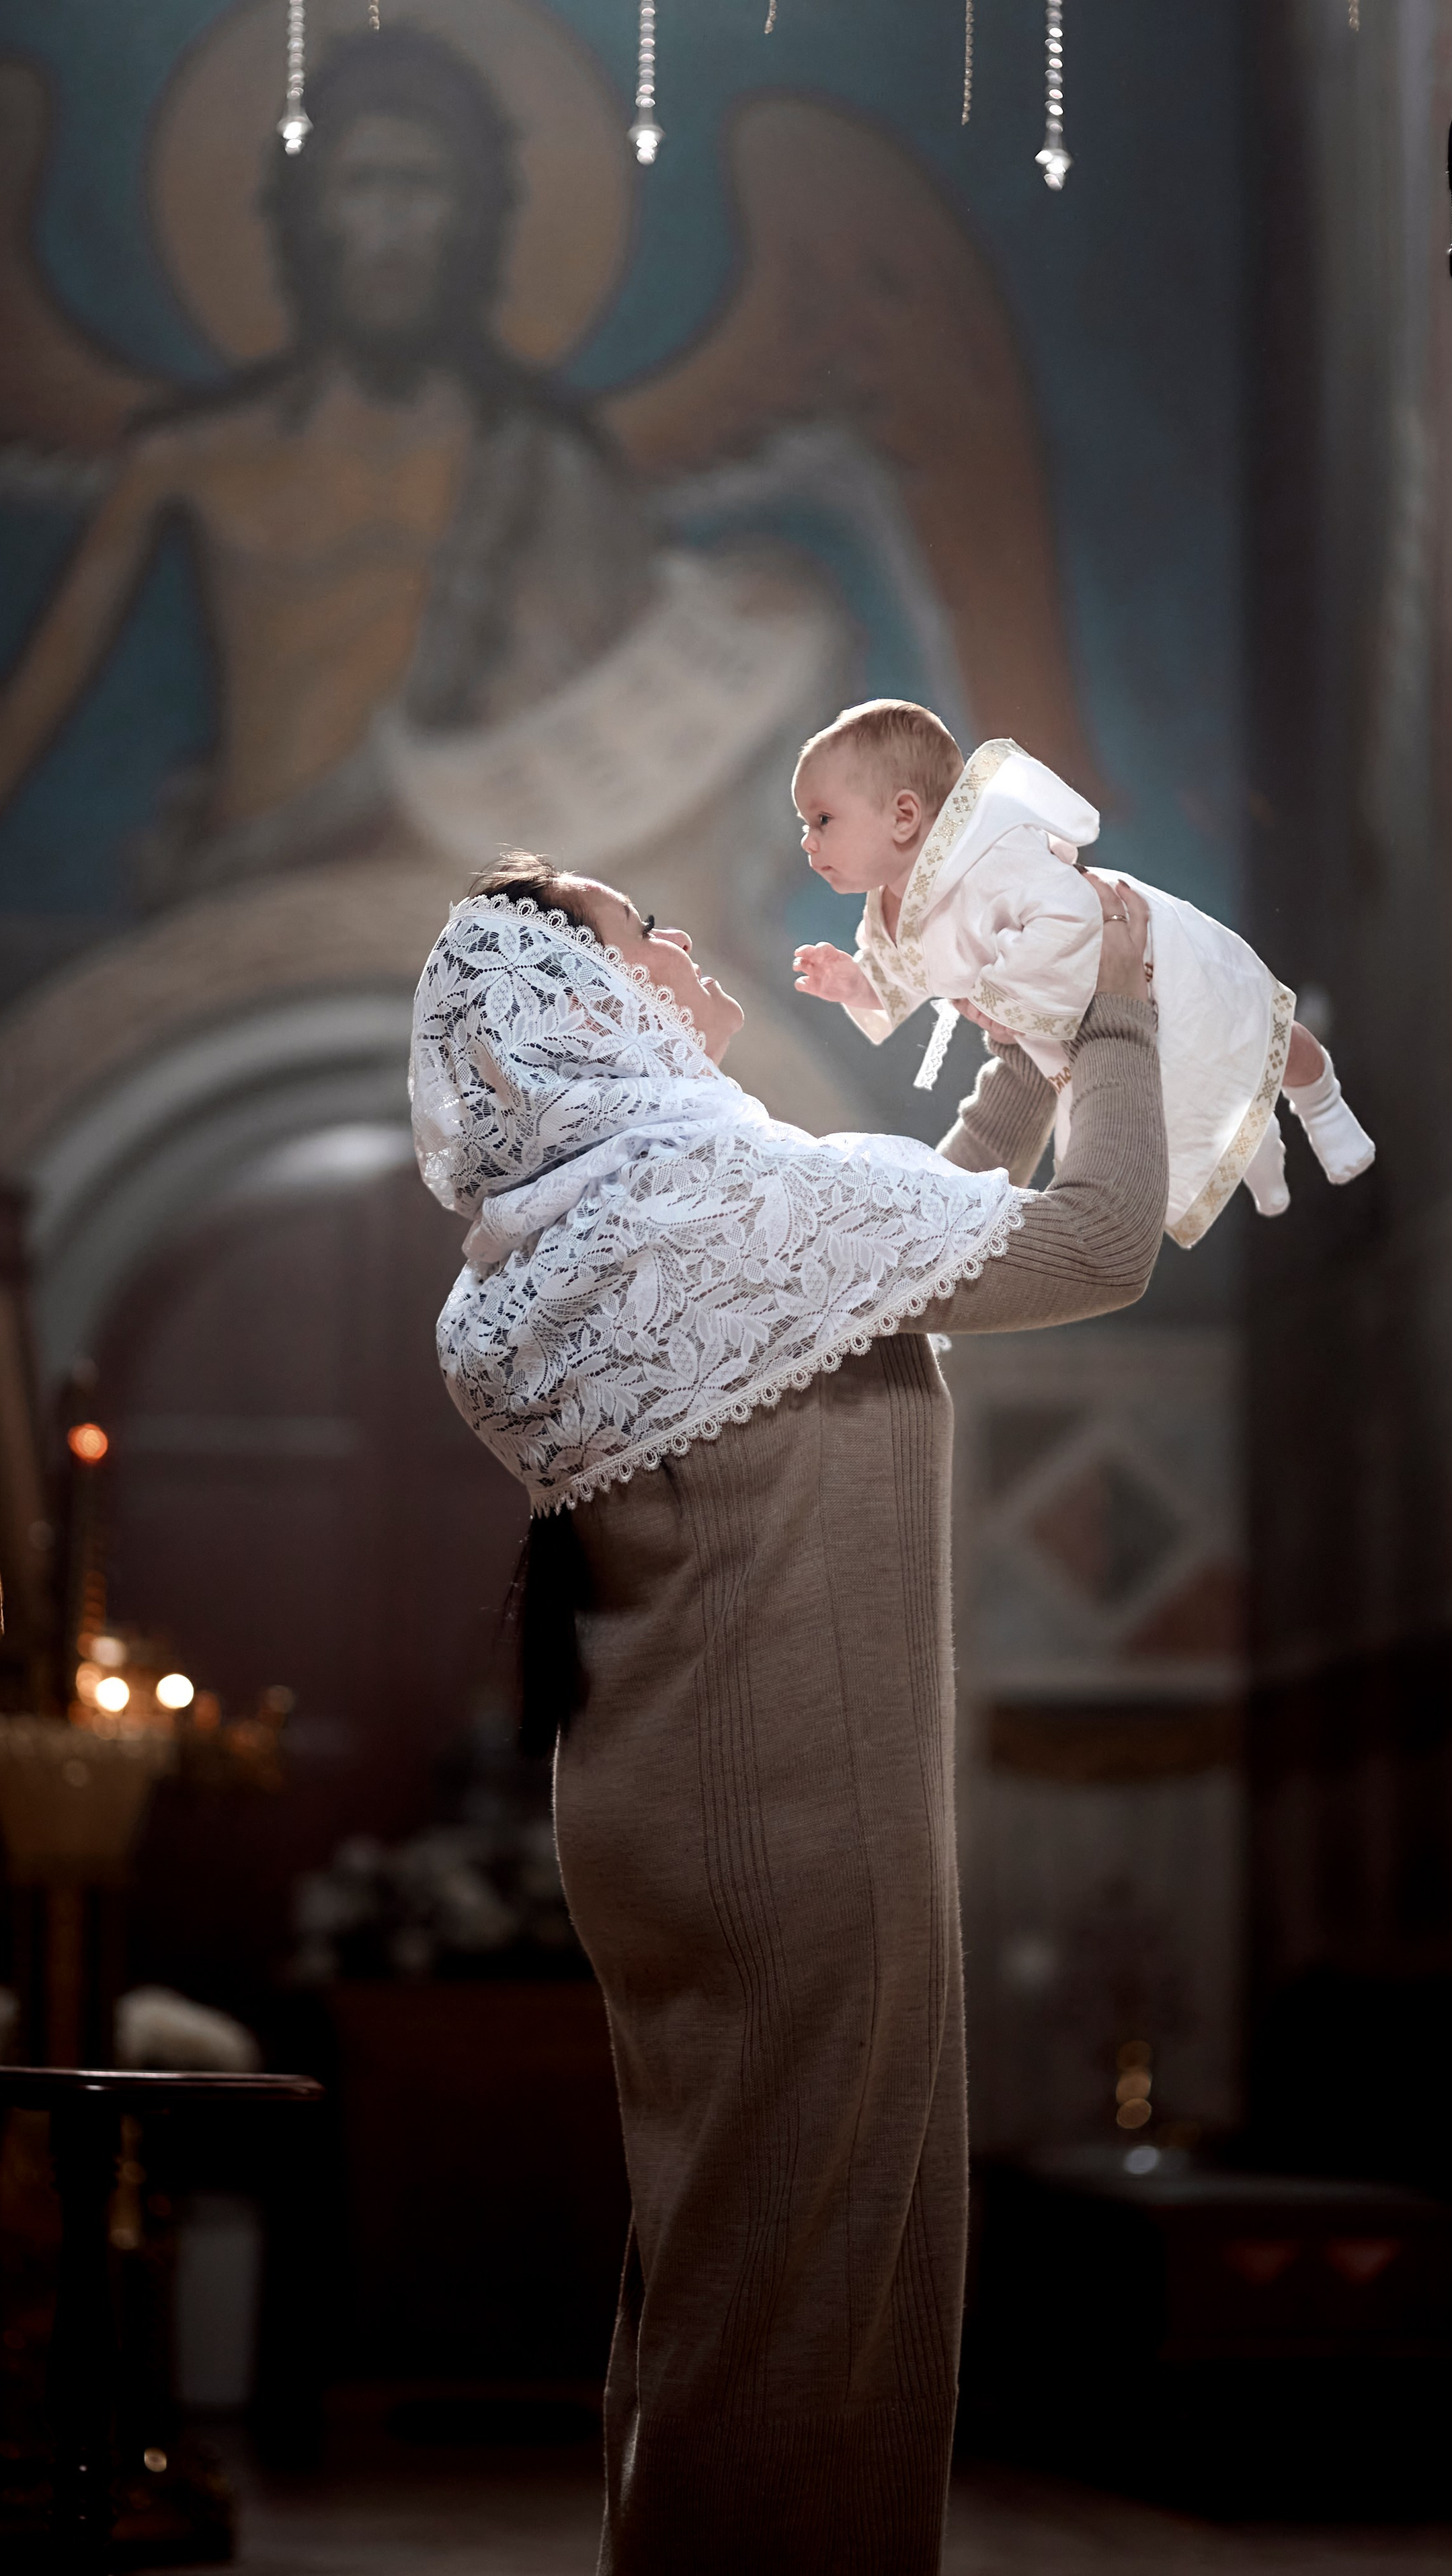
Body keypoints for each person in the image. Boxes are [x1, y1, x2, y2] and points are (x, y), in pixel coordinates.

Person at [409, 845, 1166, 2574]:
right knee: (811, 2308)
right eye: (636, 937)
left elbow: (877, 1273)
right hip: (794, 1821)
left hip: (667, 1814)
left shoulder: (575, 1230)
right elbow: (1100, 1244)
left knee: (730, 2268)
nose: (680, 948)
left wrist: (1020, 1073)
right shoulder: (717, 1201)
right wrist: (1117, 1015)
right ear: (586, 1011)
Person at [0, 28, 651, 896]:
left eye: (422, 187)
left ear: (475, 217)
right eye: (362, 185)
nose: (391, 226)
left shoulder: (547, 467)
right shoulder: (194, 457)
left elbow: (625, 762)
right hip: (245, 905)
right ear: (308, 213)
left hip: (453, 916)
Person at [791, 698, 1374, 1248]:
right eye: (805, 824)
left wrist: (999, 997)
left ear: (903, 815)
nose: (809, 842)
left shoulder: (994, 857)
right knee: (1179, 1099)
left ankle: (1322, 1102)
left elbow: (1068, 910)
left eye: (822, 819)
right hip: (1075, 1027)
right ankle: (1261, 1163)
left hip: (1141, 960)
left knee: (1239, 1031)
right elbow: (910, 974)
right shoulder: (896, 906)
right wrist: (858, 984)